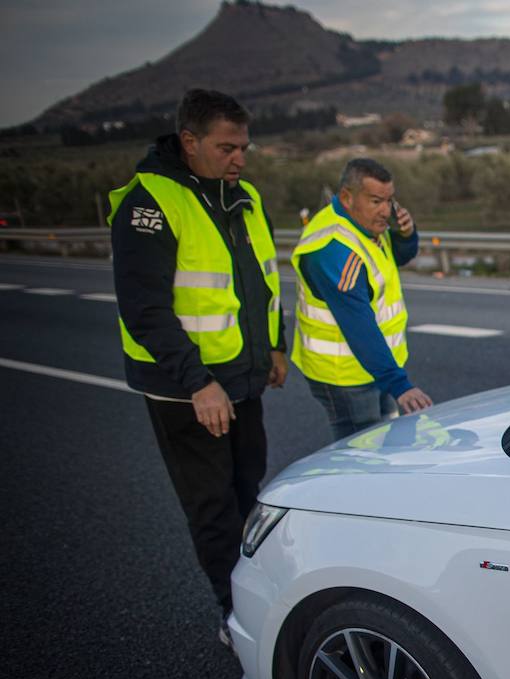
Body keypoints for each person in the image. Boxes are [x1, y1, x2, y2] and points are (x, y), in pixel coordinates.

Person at [108, 88, 287, 649]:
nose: (239, 158)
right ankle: (236, 617)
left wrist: (276, 347)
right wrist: (198, 382)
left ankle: (256, 594)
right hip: (189, 390)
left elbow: (260, 281)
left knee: (247, 491)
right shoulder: (151, 203)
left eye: (244, 147)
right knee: (213, 507)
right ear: (189, 142)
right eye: (226, 147)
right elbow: (145, 309)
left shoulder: (242, 196)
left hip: (241, 379)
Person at [291, 158, 432, 441]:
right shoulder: (333, 251)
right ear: (347, 197)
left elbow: (394, 257)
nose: (386, 211)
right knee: (363, 457)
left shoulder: (365, 227)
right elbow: (359, 326)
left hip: (375, 368)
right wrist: (399, 384)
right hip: (346, 376)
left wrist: (406, 236)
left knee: (386, 444)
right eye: (376, 201)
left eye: (390, 201)